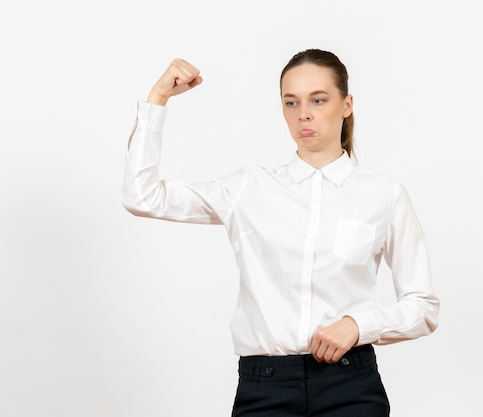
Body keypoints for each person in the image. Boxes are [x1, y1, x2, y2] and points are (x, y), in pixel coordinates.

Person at [122, 48, 439, 417]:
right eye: (291, 102)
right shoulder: (249, 187)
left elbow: (423, 307)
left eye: (318, 100)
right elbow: (143, 197)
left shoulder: (384, 194)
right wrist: (158, 99)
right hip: (265, 389)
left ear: (346, 104)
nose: (303, 113)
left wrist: (358, 325)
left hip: (350, 385)